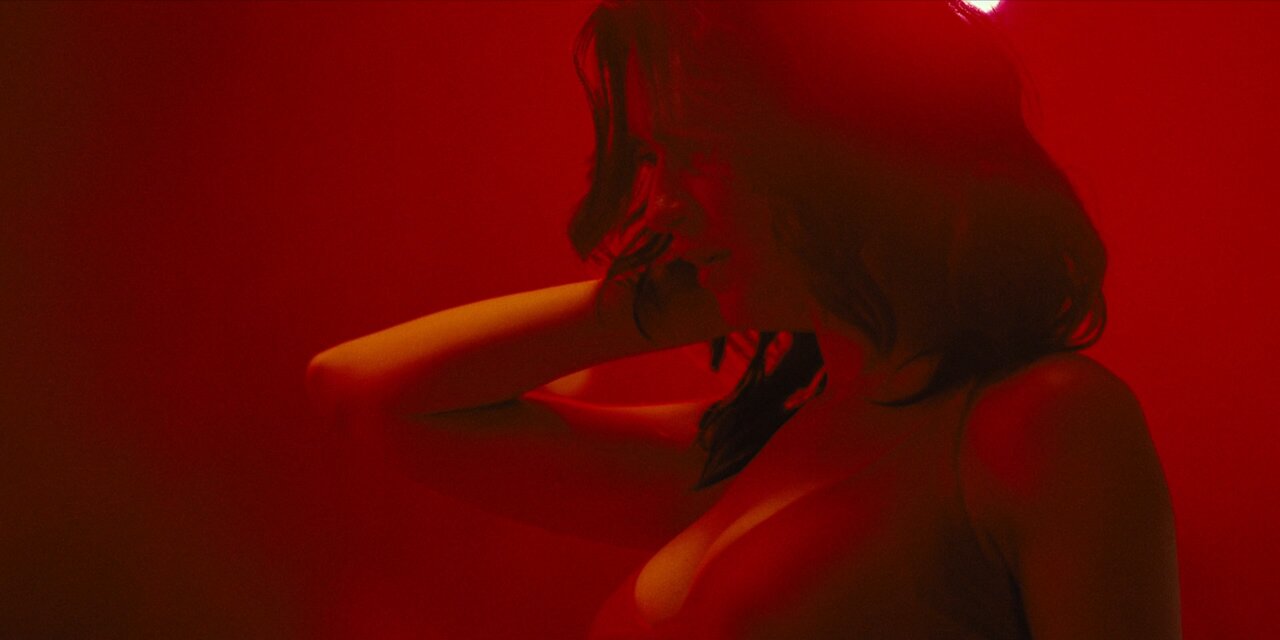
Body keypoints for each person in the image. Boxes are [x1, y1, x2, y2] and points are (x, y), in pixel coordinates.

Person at [306, 1, 1181, 637]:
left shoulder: (1038, 424)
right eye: (652, 158)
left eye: (700, 154)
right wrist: (657, 300)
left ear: (836, 149)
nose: (659, 206)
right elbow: (363, 392)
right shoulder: (751, 452)